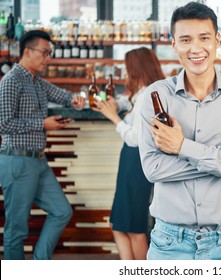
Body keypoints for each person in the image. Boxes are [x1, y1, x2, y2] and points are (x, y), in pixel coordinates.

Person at [138, 1, 221, 260]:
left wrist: (182, 147)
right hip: (169, 243)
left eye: (204, 38)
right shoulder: (155, 96)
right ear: (173, 44)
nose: (195, 48)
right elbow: (153, 169)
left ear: (217, 40)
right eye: (185, 39)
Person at [0, 30, 85, 260]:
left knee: (61, 211)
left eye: (50, 53)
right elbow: (4, 124)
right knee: (16, 229)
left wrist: (76, 100)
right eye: (45, 53)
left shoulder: (37, 82)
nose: (48, 58)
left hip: (37, 161)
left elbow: (63, 95)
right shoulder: (11, 81)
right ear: (28, 51)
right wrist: (42, 124)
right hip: (17, 160)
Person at [92, 47, 164, 259]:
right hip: (131, 163)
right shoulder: (143, 92)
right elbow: (129, 102)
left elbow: (135, 138)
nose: (125, 73)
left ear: (136, 69)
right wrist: (117, 104)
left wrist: (113, 117)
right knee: (120, 224)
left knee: (133, 226)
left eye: (127, 68)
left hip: (137, 163)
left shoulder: (148, 96)